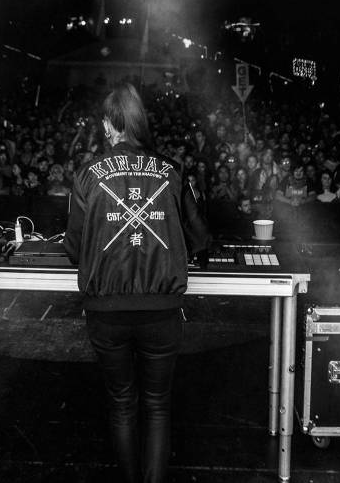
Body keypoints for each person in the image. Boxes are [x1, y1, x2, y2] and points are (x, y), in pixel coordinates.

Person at [64, 82, 209, 483]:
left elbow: (74, 249)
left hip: (106, 313)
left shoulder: (88, 175)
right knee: (158, 405)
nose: (104, 131)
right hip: (162, 312)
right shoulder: (171, 171)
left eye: (105, 124)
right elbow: (201, 239)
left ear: (114, 124)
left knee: (122, 403)